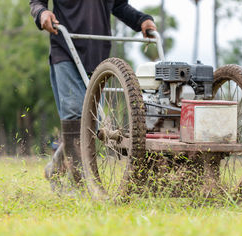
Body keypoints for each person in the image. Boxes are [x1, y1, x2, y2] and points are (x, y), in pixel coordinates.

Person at [29, 0, 156, 190]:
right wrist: (42, 13)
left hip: (98, 54)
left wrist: (142, 21)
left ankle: (56, 168)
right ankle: (79, 186)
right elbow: (37, 2)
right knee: (74, 113)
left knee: (92, 123)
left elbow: (119, 5)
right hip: (65, 48)